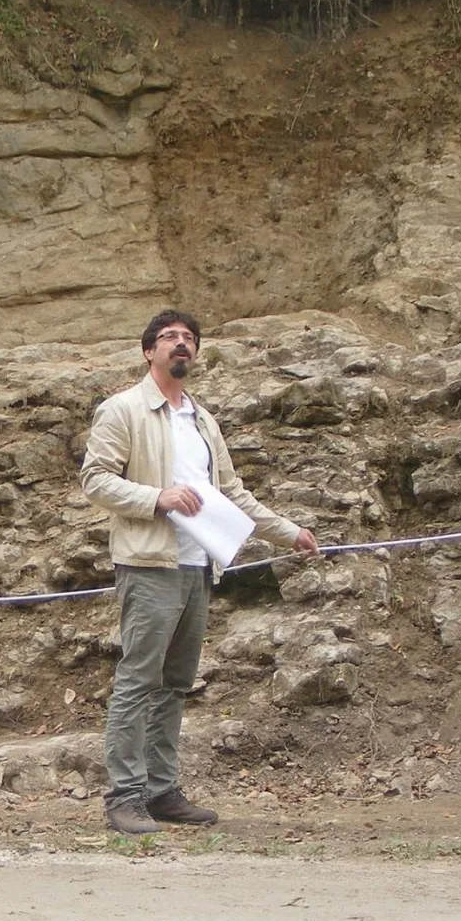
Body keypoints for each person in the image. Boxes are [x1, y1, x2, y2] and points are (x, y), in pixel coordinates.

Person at [80, 310, 320, 834]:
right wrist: (156, 498)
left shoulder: (202, 420)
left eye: (189, 338)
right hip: (149, 563)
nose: (181, 345)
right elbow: (95, 479)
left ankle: (161, 792)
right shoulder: (122, 410)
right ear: (149, 352)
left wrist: (289, 531)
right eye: (169, 338)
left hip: (197, 564)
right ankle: (123, 797)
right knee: (138, 681)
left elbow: (232, 493)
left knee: (175, 684)